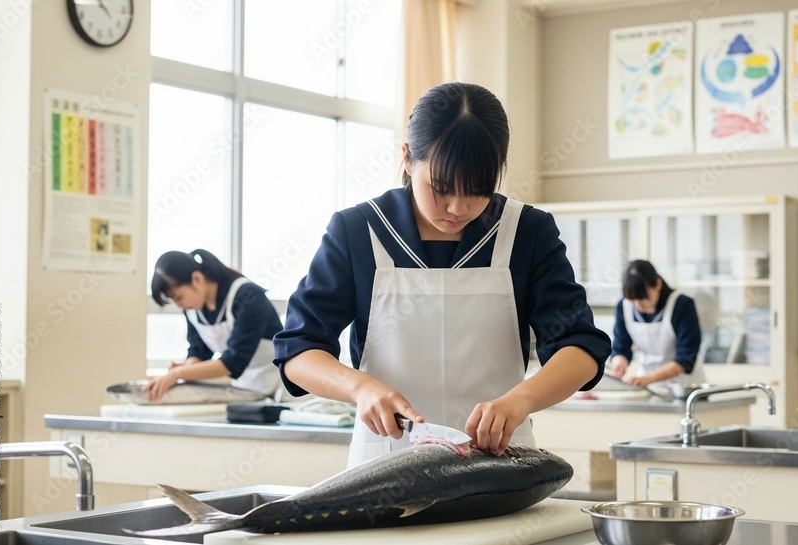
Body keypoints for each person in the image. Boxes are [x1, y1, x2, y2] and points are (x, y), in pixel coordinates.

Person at [273, 82, 611, 468]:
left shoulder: (526, 231)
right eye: (441, 187)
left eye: (477, 190)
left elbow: (581, 348)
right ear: (407, 158)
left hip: (501, 462)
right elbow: (298, 351)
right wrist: (359, 387)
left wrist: (520, 400)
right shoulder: (358, 231)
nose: (456, 207)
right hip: (386, 465)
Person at [147, 249, 285, 401]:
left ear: (197, 279)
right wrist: (187, 368)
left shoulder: (248, 296)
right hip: (246, 388)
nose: (180, 306)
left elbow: (232, 363)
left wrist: (178, 373)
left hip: (282, 386)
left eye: (179, 298)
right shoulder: (194, 309)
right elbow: (199, 351)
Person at [608, 260, 706, 388]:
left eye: (643, 298)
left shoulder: (682, 305)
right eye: (632, 299)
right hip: (647, 382)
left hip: (684, 384)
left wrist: (650, 378)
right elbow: (621, 346)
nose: (638, 305)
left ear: (658, 284)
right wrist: (619, 361)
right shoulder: (623, 306)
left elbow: (686, 357)